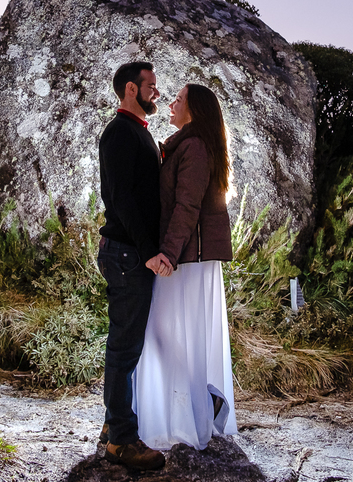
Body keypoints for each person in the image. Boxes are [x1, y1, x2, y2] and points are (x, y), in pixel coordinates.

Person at [134, 82, 238, 451]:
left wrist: (169, 255)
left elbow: (187, 207)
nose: (172, 103)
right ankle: (202, 399)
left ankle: (201, 401)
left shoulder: (193, 147)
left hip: (185, 258)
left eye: (178, 99)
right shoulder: (187, 144)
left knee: (162, 331)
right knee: (168, 332)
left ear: (193, 110)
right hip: (184, 255)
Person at [97, 61, 166, 471]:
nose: (156, 92)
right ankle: (121, 441)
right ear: (130, 89)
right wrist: (146, 251)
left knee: (126, 347)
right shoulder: (119, 132)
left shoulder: (138, 132)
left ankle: (112, 427)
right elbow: (121, 199)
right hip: (126, 254)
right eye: (151, 86)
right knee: (124, 349)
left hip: (128, 253)